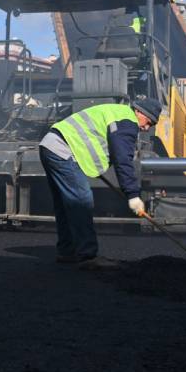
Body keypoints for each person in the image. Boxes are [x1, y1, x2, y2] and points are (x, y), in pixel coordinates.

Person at [38, 98, 161, 270]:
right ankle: (87, 256)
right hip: (63, 149)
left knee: (66, 204)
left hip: (50, 146)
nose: (146, 128)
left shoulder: (116, 112)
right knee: (81, 200)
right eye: (149, 122)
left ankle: (67, 251)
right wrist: (133, 195)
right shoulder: (127, 121)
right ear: (140, 112)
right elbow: (123, 160)